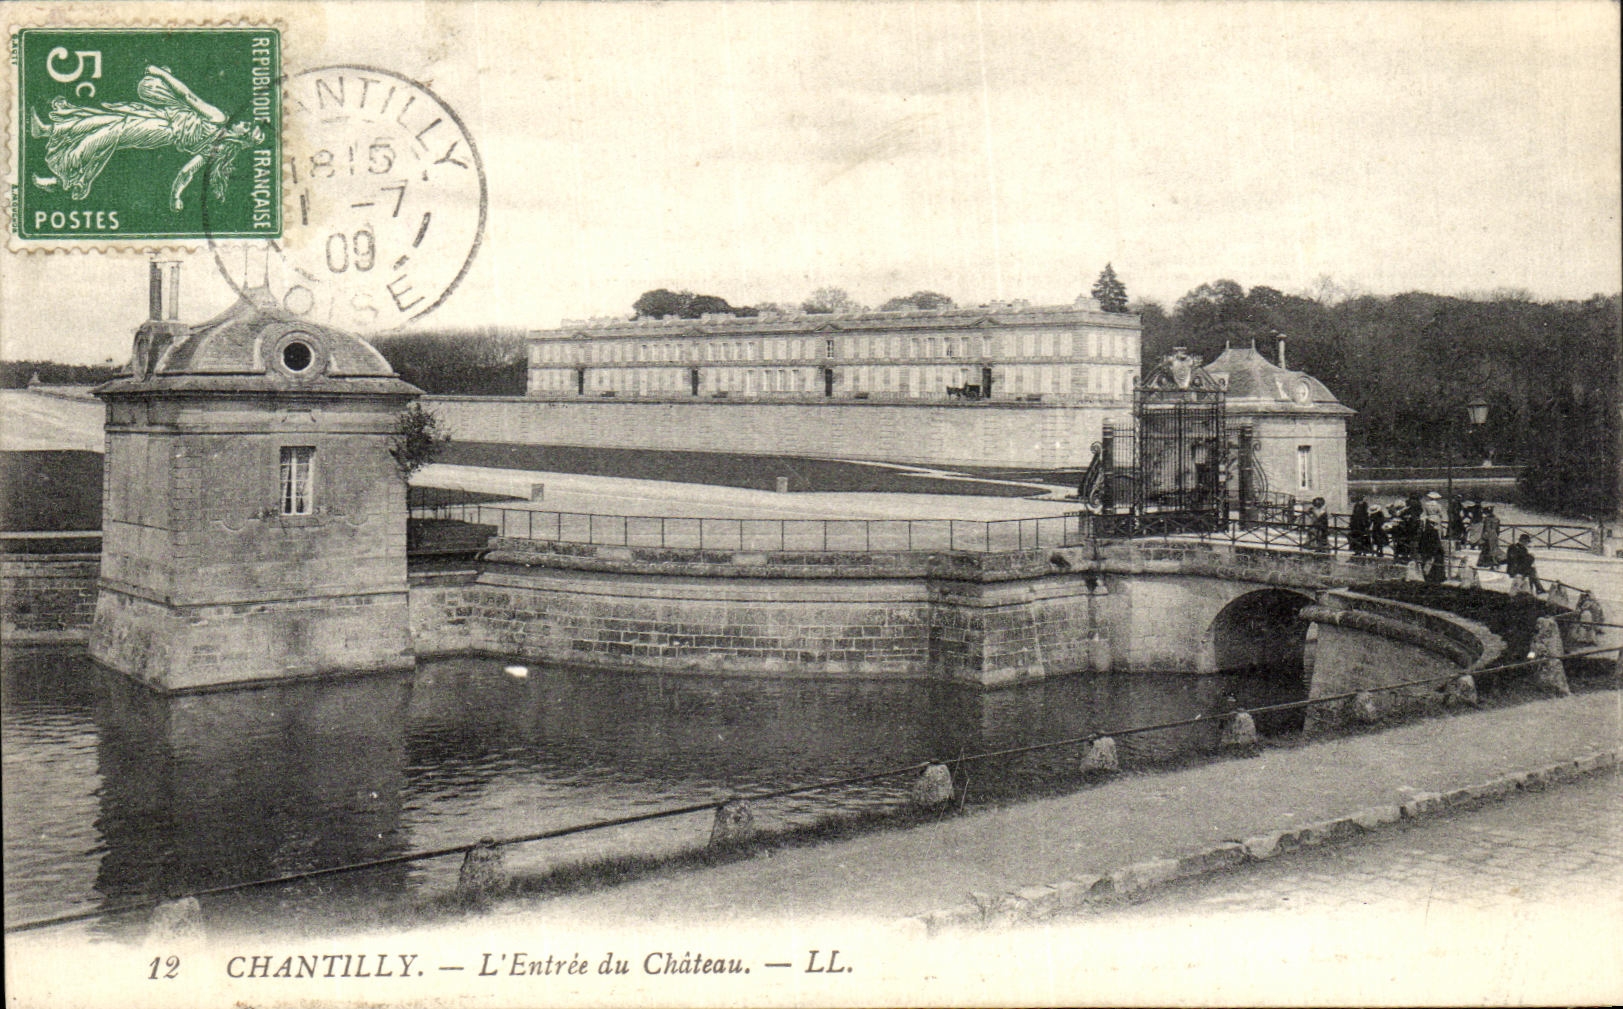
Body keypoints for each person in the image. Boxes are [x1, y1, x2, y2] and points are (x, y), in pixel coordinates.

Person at [29, 65, 262, 209]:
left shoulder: (219, 119)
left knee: (111, 131)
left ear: (243, 138)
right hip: (161, 117)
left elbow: (188, 96)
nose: (244, 122)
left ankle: (60, 176)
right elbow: (187, 172)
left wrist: (159, 73)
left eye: (248, 127)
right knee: (109, 118)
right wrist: (176, 196)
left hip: (162, 128)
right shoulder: (216, 147)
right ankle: (48, 130)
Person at [1477, 505, 1502, 569]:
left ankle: (1486, 563)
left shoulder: (1486, 519)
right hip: (1494, 536)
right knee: (1493, 549)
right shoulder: (1497, 519)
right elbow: (1498, 529)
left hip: (1487, 536)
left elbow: (1484, 528)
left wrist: (1482, 537)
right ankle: (1494, 563)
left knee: (1486, 549)